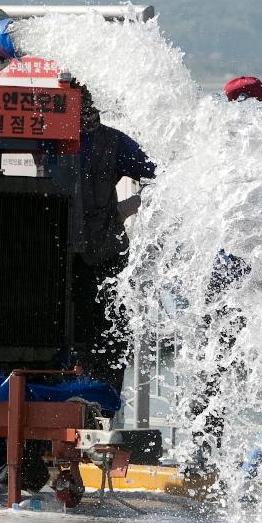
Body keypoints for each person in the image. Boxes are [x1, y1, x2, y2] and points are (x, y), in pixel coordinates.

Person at [70, 87, 156, 403]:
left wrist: (126, 207)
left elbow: (165, 175)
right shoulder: (42, 137)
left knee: (108, 338)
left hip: (102, 258)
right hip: (65, 261)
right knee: (88, 339)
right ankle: (90, 409)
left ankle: (102, 409)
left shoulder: (110, 141)